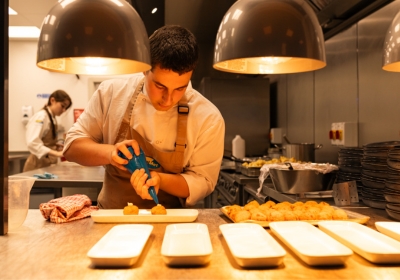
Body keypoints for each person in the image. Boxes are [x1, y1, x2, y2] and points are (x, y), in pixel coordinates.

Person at [63, 25, 225, 209]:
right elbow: (71, 147)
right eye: (160, 86)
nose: (168, 99)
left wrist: (159, 180)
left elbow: (204, 180)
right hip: (110, 219)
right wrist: (110, 153)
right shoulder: (111, 94)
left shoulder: (208, 118)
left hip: (170, 224)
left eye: (180, 88)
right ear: (144, 69)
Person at [23, 90, 72, 172]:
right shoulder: (41, 116)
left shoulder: (52, 117)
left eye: (66, 108)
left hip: (46, 164)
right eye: (62, 106)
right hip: (37, 165)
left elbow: (45, 140)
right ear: (52, 100)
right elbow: (32, 142)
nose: (64, 110)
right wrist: (57, 153)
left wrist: (54, 145)